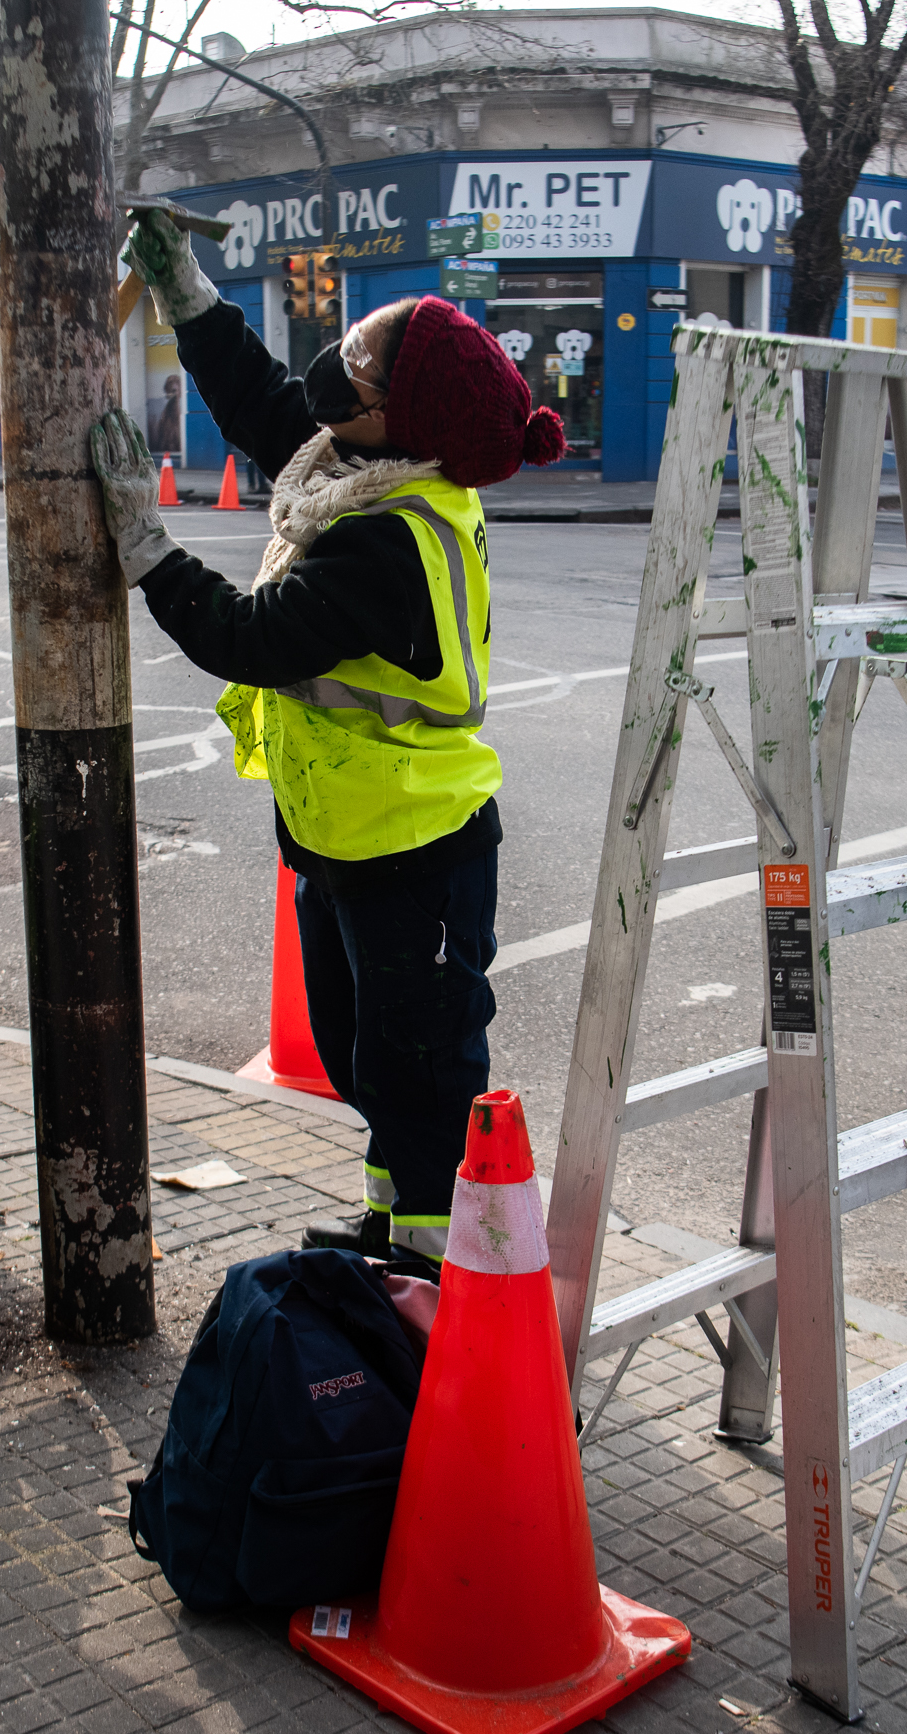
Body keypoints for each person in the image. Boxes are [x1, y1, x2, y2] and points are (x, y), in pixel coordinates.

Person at [91, 214, 566, 1267]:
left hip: (418, 851)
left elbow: (243, 635)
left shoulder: (387, 539)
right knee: (365, 1061)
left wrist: (144, 546)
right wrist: (192, 300)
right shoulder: (370, 473)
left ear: (398, 415)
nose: (339, 357)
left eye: (363, 356)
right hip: (345, 841)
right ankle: (394, 1229)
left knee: (424, 1080)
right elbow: (273, 409)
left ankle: (446, 1284)